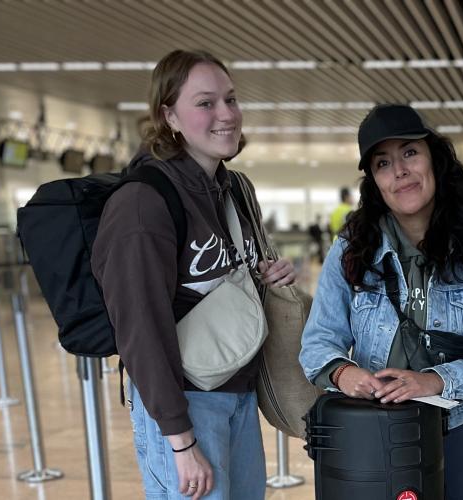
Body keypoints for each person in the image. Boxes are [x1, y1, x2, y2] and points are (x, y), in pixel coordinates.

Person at [91, 49, 297, 500]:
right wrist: (180, 440)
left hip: (239, 395)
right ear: (170, 116)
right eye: (205, 103)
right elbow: (140, 328)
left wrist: (268, 274)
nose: (226, 114)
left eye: (231, 99)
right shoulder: (143, 203)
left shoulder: (235, 188)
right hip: (184, 404)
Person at [299, 104, 463, 500]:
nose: (399, 170)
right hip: (370, 435)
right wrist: (344, 375)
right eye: (383, 162)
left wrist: (435, 380)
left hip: (453, 433)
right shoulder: (352, 251)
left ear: (432, 158)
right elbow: (317, 342)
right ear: (375, 181)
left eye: (409, 153)